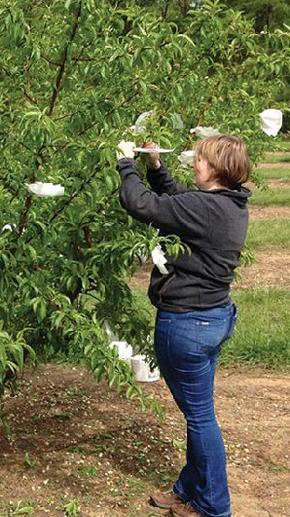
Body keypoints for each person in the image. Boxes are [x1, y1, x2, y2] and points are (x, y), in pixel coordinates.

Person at [116, 135, 251, 517]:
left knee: (200, 417)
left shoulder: (207, 207)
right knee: (199, 412)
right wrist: (156, 166)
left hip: (187, 324)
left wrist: (126, 164)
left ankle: (213, 506)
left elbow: (142, 205)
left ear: (217, 169)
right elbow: (180, 204)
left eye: (201, 159)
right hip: (213, 317)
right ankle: (188, 490)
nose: (195, 162)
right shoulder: (229, 202)